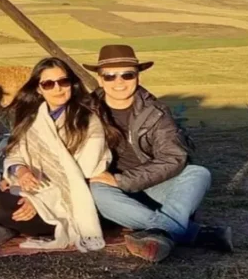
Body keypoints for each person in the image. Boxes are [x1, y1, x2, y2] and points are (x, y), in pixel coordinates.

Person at [0, 56, 123, 251]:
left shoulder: (87, 122)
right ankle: (3, 225)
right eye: (48, 84)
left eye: (64, 82)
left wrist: (37, 199)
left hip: (62, 204)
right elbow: (16, 153)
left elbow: (83, 174)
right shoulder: (32, 118)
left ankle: (2, 225)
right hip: (23, 192)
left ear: (72, 84)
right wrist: (20, 171)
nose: (58, 88)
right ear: (38, 88)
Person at [85, 44, 233, 263]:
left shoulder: (156, 112)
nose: (119, 82)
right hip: (113, 193)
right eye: (110, 76)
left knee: (198, 173)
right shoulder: (84, 111)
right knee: (98, 189)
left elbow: (174, 158)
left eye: (127, 75)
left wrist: (122, 180)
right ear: (99, 79)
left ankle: (162, 230)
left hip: (154, 185)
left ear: (137, 77)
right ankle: (194, 233)